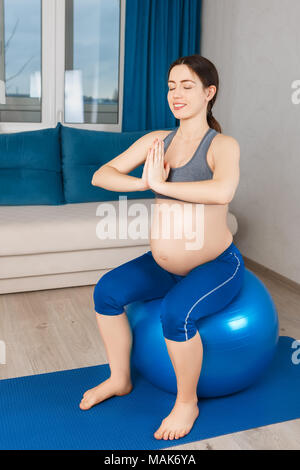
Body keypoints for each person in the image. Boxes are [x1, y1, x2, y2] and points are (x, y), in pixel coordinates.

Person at [79, 55, 245, 441]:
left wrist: (162, 185)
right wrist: (144, 183)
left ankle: (187, 401)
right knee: (106, 292)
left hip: (216, 265)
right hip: (163, 264)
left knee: (175, 314)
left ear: (209, 93)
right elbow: (101, 175)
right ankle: (119, 379)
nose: (176, 94)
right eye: (171, 86)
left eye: (187, 86)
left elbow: (223, 191)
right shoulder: (158, 141)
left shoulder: (222, 145)